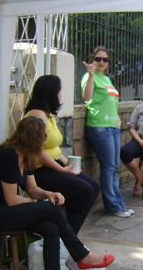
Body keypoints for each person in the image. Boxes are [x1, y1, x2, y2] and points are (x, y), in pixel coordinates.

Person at [0, 117, 115, 270]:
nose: (43, 144)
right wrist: (38, 204)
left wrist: (50, 194)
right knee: (53, 209)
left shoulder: (26, 156)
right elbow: (11, 200)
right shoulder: (8, 156)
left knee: (51, 228)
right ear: (32, 139)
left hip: (7, 210)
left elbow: (33, 188)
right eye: (42, 139)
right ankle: (82, 256)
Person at [23, 75, 100, 234]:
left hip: (55, 165)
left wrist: (70, 165)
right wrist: (62, 169)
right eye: (59, 91)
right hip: (40, 170)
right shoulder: (36, 115)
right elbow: (38, 151)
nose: (61, 95)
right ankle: (67, 236)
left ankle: (66, 234)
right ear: (51, 93)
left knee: (93, 186)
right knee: (84, 191)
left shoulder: (48, 115)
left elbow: (55, 149)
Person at [82, 46, 133, 218]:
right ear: (93, 60)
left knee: (115, 167)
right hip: (99, 126)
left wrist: (116, 117)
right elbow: (87, 97)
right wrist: (90, 75)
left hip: (112, 126)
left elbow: (111, 102)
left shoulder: (106, 79)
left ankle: (119, 204)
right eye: (98, 59)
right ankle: (112, 206)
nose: (101, 62)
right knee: (109, 167)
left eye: (105, 59)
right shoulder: (89, 76)